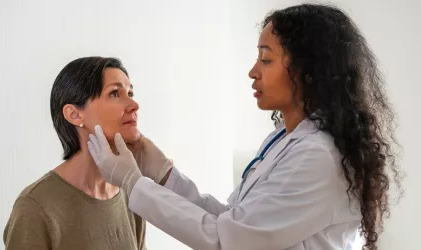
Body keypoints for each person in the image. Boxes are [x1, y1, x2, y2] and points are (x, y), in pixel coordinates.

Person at [88, 4, 402, 250]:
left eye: (266, 60)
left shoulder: (319, 156)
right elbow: (231, 219)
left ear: (308, 69)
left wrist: (133, 183)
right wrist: (165, 175)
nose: (253, 72)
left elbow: (228, 240)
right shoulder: (282, 140)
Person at [4, 57, 147, 250]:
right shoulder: (35, 206)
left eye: (130, 93)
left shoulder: (131, 195)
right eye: (115, 93)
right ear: (74, 114)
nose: (134, 104)